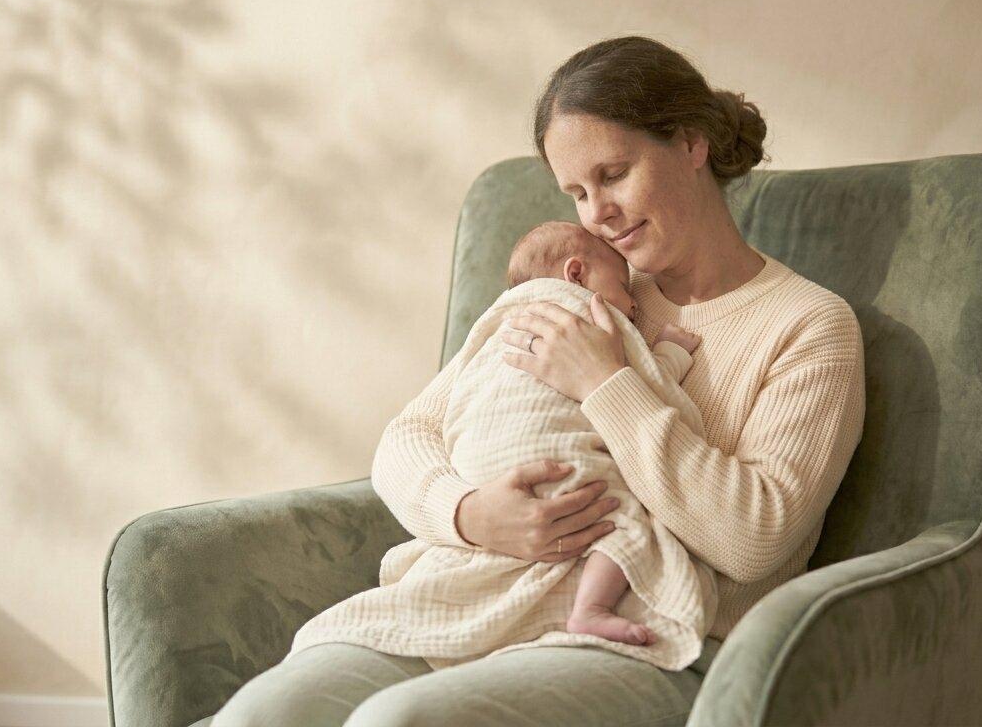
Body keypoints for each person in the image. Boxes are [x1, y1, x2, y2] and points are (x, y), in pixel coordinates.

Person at [211, 34, 866, 727]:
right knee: (263, 716)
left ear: (690, 142)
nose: (597, 214)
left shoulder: (808, 326)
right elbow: (410, 437)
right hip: (476, 599)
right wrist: (468, 512)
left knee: (397, 724)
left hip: (649, 632)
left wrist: (606, 383)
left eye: (613, 174)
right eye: (578, 193)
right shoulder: (568, 290)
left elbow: (753, 539)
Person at [279, 218, 716, 672]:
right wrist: (468, 511)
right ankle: (590, 609)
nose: (632, 304)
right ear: (575, 275)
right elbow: (646, 388)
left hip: (482, 465)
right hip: (530, 482)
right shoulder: (591, 313)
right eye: (624, 286)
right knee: (624, 523)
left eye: (613, 175)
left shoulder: (501, 322)